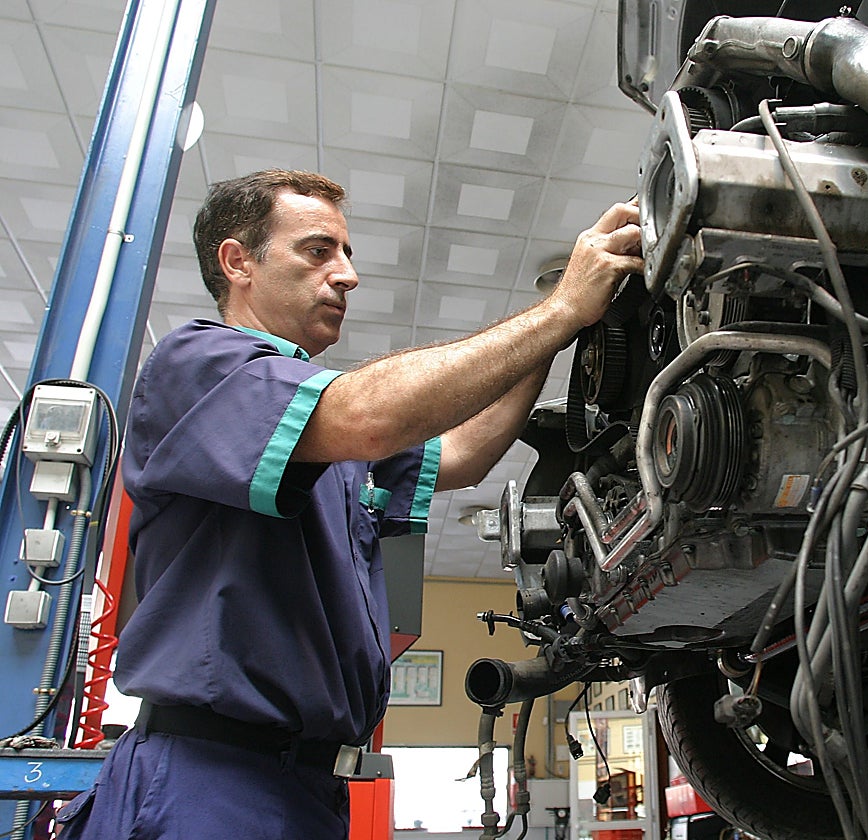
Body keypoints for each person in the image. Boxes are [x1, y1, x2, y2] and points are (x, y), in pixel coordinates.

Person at [55, 169, 642, 839]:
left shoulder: (331, 441)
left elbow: (464, 451)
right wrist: (559, 307)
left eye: (348, 253)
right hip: (209, 779)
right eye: (318, 250)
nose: (347, 275)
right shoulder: (197, 366)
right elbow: (367, 417)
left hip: (307, 789)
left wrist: (563, 323)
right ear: (236, 261)